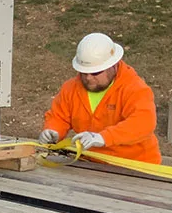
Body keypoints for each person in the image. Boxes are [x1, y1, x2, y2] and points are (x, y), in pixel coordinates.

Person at [39, 32, 162, 164]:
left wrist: (104, 138)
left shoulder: (134, 89)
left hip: (135, 166)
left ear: (113, 65)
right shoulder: (71, 89)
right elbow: (59, 117)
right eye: (83, 72)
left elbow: (143, 123)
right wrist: (53, 130)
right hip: (90, 163)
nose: (88, 78)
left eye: (96, 72)